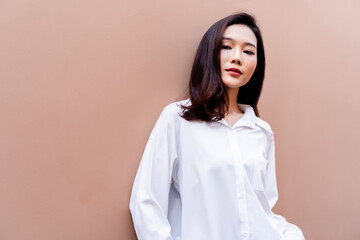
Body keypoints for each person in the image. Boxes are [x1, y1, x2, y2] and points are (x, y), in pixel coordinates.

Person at [129, 12, 305, 240]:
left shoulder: (261, 132)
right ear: (210, 53)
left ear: (257, 65)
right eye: (226, 47)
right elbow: (146, 202)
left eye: (248, 51)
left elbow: (263, 209)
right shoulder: (178, 119)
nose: (237, 57)